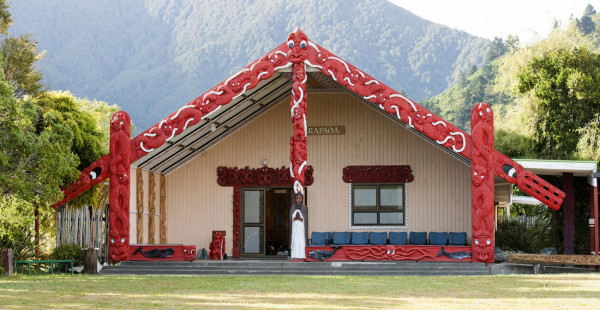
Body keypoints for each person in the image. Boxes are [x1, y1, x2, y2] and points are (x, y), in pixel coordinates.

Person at [290, 193, 308, 260]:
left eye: (300, 198)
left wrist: (300, 218)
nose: (298, 200)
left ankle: (302, 256)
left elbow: (305, 219)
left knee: (301, 241)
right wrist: (295, 218)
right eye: (297, 198)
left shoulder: (304, 207)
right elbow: (291, 219)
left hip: (301, 229)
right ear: (295, 199)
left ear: (302, 199)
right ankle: (294, 256)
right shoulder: (292, 207)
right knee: (295, 241)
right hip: (295, 229)